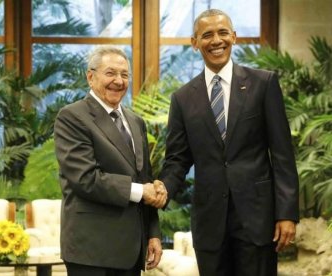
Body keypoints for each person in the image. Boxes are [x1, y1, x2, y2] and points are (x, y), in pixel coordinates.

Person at [159, 9, 299, 276]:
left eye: (223, 33)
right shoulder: (183, 98)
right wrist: (162, 189)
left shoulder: (263, 84)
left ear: (234, 37)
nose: (216, 40)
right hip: (210, 223)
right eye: (207, 35)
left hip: (258, 220)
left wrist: (287, 213)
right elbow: (177, 159)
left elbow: (282, 154)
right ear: (194, 42)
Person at [54, 45, 167, 276]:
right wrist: (140, 192)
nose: (119, 80)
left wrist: (153, 233)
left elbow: (144, 178)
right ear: (90, 76)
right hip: (92, 251)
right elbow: (85, 179)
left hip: (131, 251)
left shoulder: (136, 122)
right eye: (111, 73)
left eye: (125, 75)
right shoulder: (72, 116)